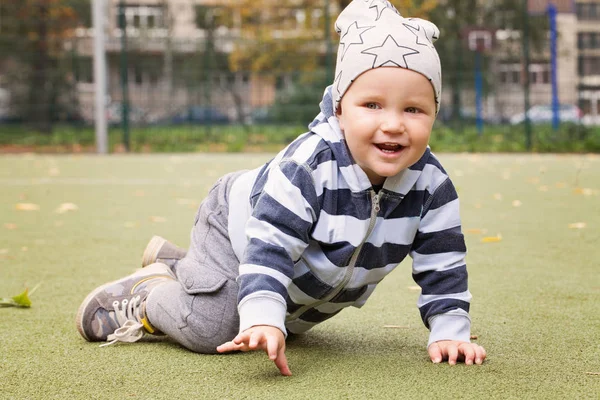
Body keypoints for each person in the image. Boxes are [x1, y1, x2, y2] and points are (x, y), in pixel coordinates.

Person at [76, 0, 486, 376]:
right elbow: (271, 246)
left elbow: (443, 264)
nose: (394, 123)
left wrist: (450, 331)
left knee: (288, 324)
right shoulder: (309, 167)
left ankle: (183, 266)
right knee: (215, 328)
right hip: (237, 228)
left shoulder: (431, 187)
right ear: (340, 108)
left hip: (303, 282)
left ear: (434, 113)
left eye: (413, 109)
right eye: (373, 105)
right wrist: (261, 318)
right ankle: (150, 295)